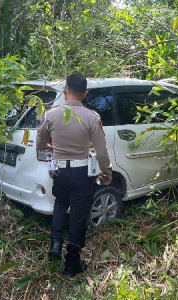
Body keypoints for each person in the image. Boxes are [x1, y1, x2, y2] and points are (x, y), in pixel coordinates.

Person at [36, 73, 112, 277]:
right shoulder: (92, 117)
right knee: (78, 216)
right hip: (82, 173)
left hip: (59, 171)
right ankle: (72, 263)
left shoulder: (51, 114)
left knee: (60, 204)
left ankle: (56, 242)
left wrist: (51, 151)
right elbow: (101, 151)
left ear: (65, 90)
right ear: (85, 94)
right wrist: (107, 172)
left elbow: (40, 144)